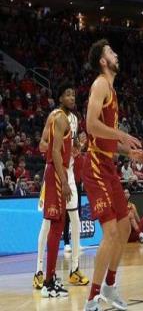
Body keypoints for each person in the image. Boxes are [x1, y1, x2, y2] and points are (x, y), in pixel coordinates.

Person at [83, 39, 143, 311]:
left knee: (124, 227)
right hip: (95, 165)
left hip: (108, 165)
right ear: (102, 61)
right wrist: (121, 134)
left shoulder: (112, 90)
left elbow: (108, 139)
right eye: (110, 52)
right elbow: (91, 126)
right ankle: (91, 299)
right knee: (110, 232)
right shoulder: (100, 84)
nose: (116, 53)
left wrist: (128, 152)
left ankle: (109, 285)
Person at [34, 118, 89, 291]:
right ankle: (39, 271)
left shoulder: (74, 121)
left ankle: (74, 269)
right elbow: (42, 145)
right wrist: (60, 147)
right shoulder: (54, 117)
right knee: (47, 223)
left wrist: (76, 148)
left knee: (76, 220)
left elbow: (74, 149)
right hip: (53, 174)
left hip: (69, 175)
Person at [37, 80, 75, 298]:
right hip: (56, 174)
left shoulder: (59, 117)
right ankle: (47, 283)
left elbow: (54, 148)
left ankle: (50, 279)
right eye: (67, 94)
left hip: (56, 172)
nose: (72, 97)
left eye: (73, 95)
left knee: (58, 226)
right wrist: (64, 180)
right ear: (60, 98)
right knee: (55, 227)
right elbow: (54, 152)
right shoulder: (60, 118)